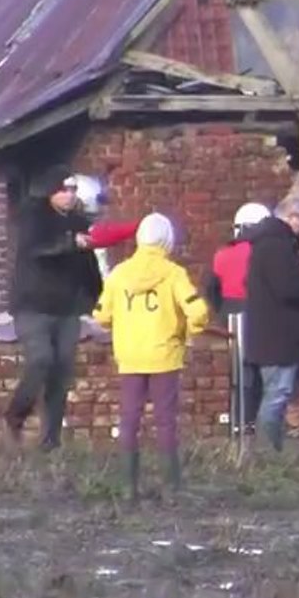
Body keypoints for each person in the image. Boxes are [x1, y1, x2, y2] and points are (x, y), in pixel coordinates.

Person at [92, 213, 209, 502]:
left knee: (130, 419)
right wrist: (190, 331)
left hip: (130, 356)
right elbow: (199, 312)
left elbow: (101, 316)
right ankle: (171, 488)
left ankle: (128, 487)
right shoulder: (173, 274)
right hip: (164, 356)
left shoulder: (119, 274)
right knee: (165, 420)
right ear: (167, 239)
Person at [3, 165, 103, 451]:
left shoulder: (79, 222)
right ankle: (15, 415)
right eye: (64, 189)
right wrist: (71, 243)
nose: (70, 195)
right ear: (51, 192)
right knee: (41, 360)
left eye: (73, 189)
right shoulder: (33, 218)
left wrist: (98, 296)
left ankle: (51, 442)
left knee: (61, 373)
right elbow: (40, 250)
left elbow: (88, 264)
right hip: (33, 306)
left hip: (67, 308)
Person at [243, 197, 299, 452]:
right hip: (278, 337)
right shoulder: (276, 246)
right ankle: (267, 453)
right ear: (291, 216)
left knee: (275, 394)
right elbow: (287, 289)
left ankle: (269, 450)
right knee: (277, 395)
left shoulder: (267, 243)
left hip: (270, 334)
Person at [202, 202, 271, 434]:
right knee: (259, 370)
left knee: (237, 371)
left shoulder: (222, 255)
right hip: (260, 313)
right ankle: (253, 420)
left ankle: (237, 419)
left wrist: (222, 311)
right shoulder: (265, 255)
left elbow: (211, 288)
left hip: (229, 313)